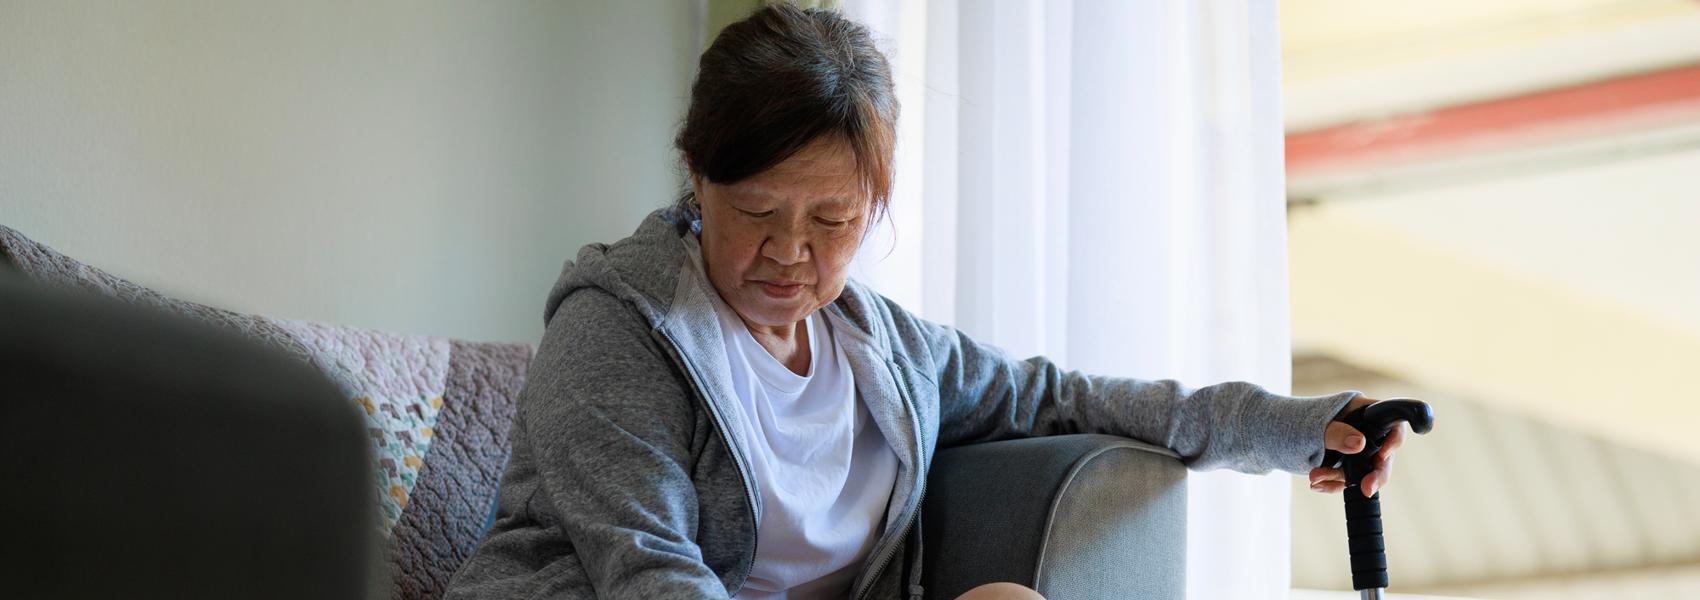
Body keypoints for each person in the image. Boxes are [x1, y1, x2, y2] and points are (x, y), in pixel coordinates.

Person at [444, 4, 1405, 600]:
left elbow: (1063, 397)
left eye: (832, 219)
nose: (790, 251)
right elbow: (649, 574)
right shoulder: (618, 326)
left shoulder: (883, 352)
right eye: (756, 210)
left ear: (875, 208)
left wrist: (1296, 431)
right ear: (697, 178)